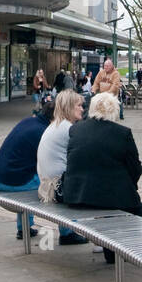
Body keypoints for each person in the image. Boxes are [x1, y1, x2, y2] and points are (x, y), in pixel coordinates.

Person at [58, 92, 142, 264]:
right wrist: (130, 186)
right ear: (115, 111)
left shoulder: (76, 129)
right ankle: (125, 252)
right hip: (109, 197)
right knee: (134, 207)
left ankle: (112, 252)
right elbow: (136, 169)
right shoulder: (122, 133)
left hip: (77, 195)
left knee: (113, 196)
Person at [0, 94, 55, 240]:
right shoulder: (44, 132)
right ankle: (68, 232)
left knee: (27, 175)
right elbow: (50, 165)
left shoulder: (29, 121)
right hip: (12, 181)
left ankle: (24, 228)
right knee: (56, 184)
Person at [35, 89, 88, 245]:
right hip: (55, 189)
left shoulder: (56, 125)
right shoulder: (67, 128)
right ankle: (102, 238)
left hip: (47, 186)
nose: (82, 109)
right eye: (79, 105)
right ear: (69, 106)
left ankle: (68, 232)